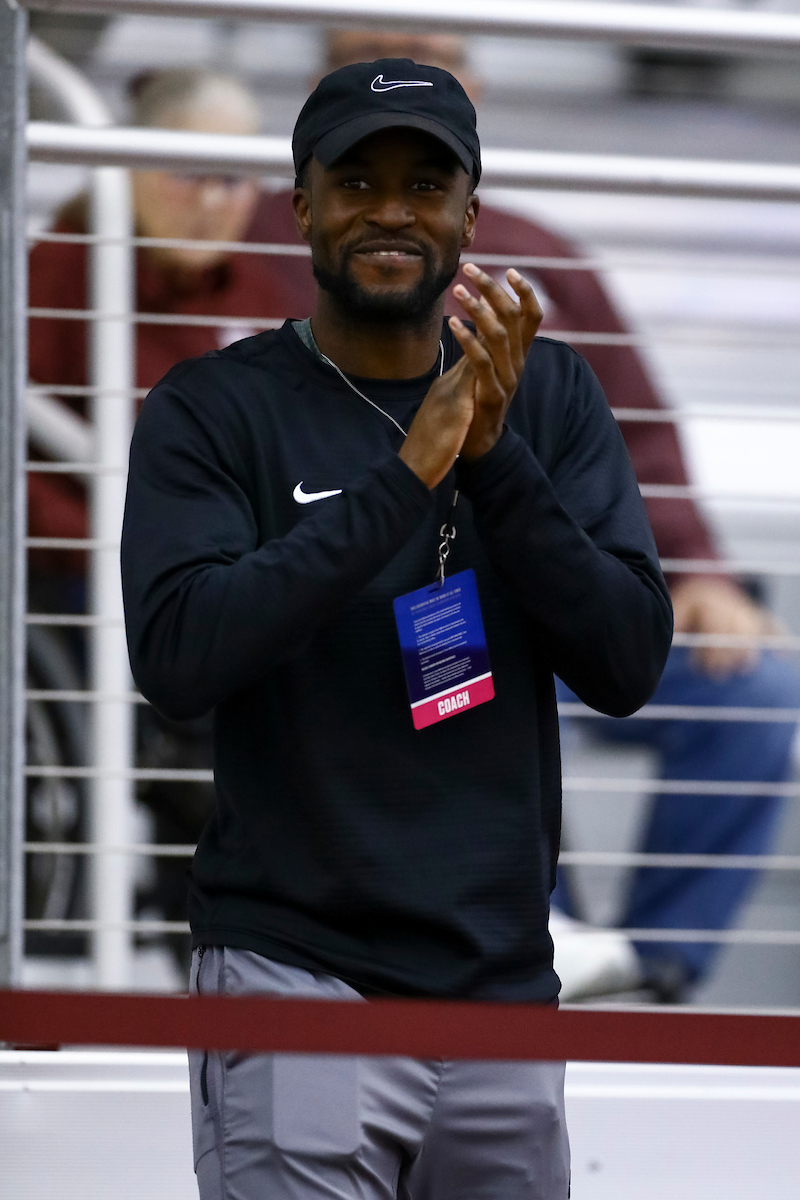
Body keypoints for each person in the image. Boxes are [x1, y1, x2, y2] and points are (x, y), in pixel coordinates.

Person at [122, 59, 672, 1198]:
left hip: (504, 991)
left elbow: (625, 661)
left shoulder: (552, 399)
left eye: (425, 185)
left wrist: (491, 457)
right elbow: (178, 658)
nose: (389, 209)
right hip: (295, 973)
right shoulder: (214, 406)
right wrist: (406, 476)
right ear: (302, 204)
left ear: (468, 214)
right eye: (356, 180)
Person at [245, 30, 800, 1001]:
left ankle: (646, 970)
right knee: (460, 659)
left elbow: (642, 440)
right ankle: (535, 936)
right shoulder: (261, 243)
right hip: (384, 617)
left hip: (551, 594)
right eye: (372, 50)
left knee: (753, 692)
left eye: (428, 53)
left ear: (477, 84)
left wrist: (703, 573)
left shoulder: (544, 256)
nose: (403, 72)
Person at [27, 70, 294, 965]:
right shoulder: (61, 269)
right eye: (189, 174)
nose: (215, 202)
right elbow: (20, 465)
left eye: (234, 179)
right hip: (88, 584)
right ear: (130, 169)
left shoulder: (262, 291)